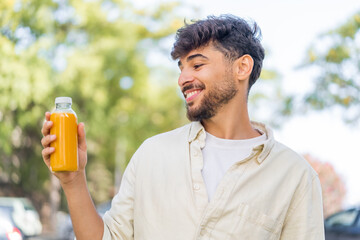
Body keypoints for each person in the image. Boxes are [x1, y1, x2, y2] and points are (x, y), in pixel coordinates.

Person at [41, 15, 324, 240]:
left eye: (197, 65)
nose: (183, 79)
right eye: (181, 68)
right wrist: (73, 181)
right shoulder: (152, 154)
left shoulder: (295, 176)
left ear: (242, 67)